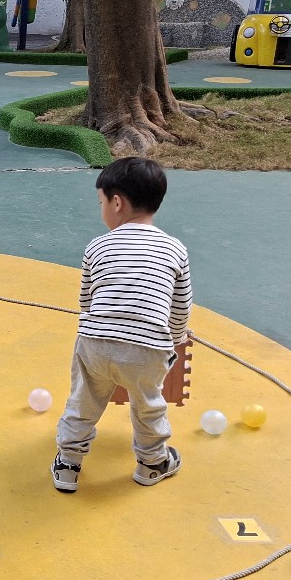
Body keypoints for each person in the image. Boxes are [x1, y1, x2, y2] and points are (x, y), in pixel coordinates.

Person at [49, 157, 193, 494]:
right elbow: (180, 308)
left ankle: (68, 464)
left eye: (100, 202)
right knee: (148, 407)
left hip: (95, 343)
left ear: (116, 203)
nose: (101, 209)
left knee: (82, 403)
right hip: (148, 348)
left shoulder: (97, 246)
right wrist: (174, 340)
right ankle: (152, 464)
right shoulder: (175, 249)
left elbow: (86, 303)